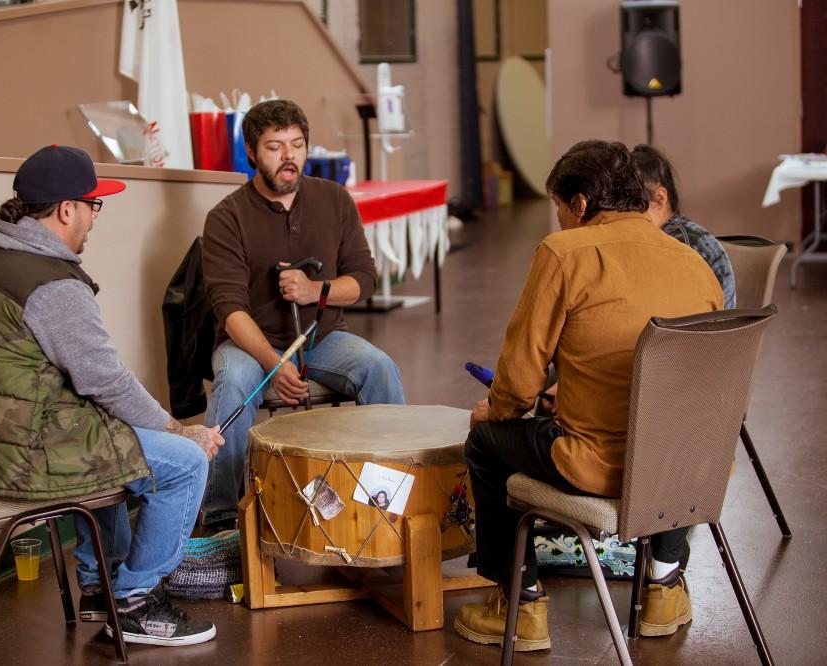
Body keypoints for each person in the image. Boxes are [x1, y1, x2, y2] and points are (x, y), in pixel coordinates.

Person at [0, 145, 224, 647]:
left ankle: (99, 585)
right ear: (67, 210)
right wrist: (181, 431)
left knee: (108, 427)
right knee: (186, 464)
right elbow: (106, 381)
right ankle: (133, 603)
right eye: (93, 205)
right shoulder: (50, 286)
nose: (94, 218)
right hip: (21, 457)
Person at [453, 141, 723, 652]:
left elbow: (519, 383)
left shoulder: (564, 252)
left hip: (599, 467)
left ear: (579, 205)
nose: (559, 221)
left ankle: (520, 606)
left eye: (559, 209)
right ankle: (664, 587)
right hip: (687, 466)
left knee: (486, 442)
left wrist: (495, 410)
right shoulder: (693, 262)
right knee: (674, 431)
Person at [201, 100, 406, 534]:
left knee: (380, 367)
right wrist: (274, 363)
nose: (288, 156)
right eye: (275, 146)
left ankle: (389, 502)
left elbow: (364, 280)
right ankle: (220, 520)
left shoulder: (334, 200)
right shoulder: (227, 217)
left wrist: (316, 290)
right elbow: (230, 310)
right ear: (251, 152)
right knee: (233, 381)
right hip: (250, 344)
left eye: (296, 144)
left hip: (323, 338)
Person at [632, 144, 737, 308]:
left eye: (632, 205)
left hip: (704, 324)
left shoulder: (681, 246)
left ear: (659, 199)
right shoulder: (669, 235)